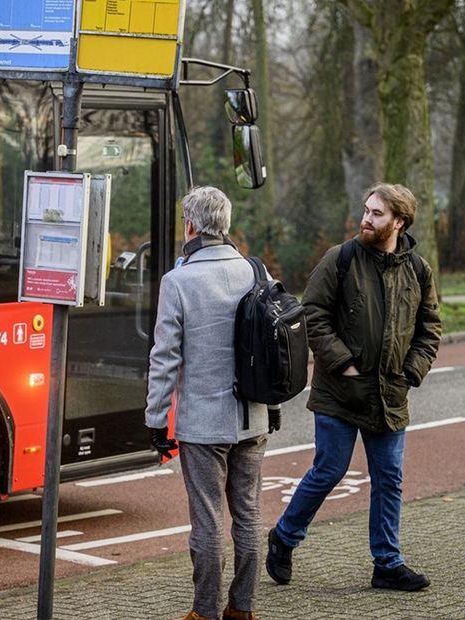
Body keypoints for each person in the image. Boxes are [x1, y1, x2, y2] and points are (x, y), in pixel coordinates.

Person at [266, 182, 442, 591]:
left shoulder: (417, 270)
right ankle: (284, 537)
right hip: (339, 392)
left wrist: (411, 370)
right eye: (366, 210)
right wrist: (341, 361)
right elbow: (310, 313)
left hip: (390, 394)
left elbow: (430, 327)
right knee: (330, 469)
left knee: (389, 478)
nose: (366, 218)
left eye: (377, 213)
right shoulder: (340, 259)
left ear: (399, 221)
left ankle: (387, 563)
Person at [146, 186, 279, 620]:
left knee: (206, 522)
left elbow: (165, 357)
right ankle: (242, 609)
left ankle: (203, 612)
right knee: (248, 516)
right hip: (253, 418)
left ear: (189, 226)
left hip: (203, 424)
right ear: (224, 224)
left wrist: (154, 419)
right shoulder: (255, 272)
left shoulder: (179, 281)